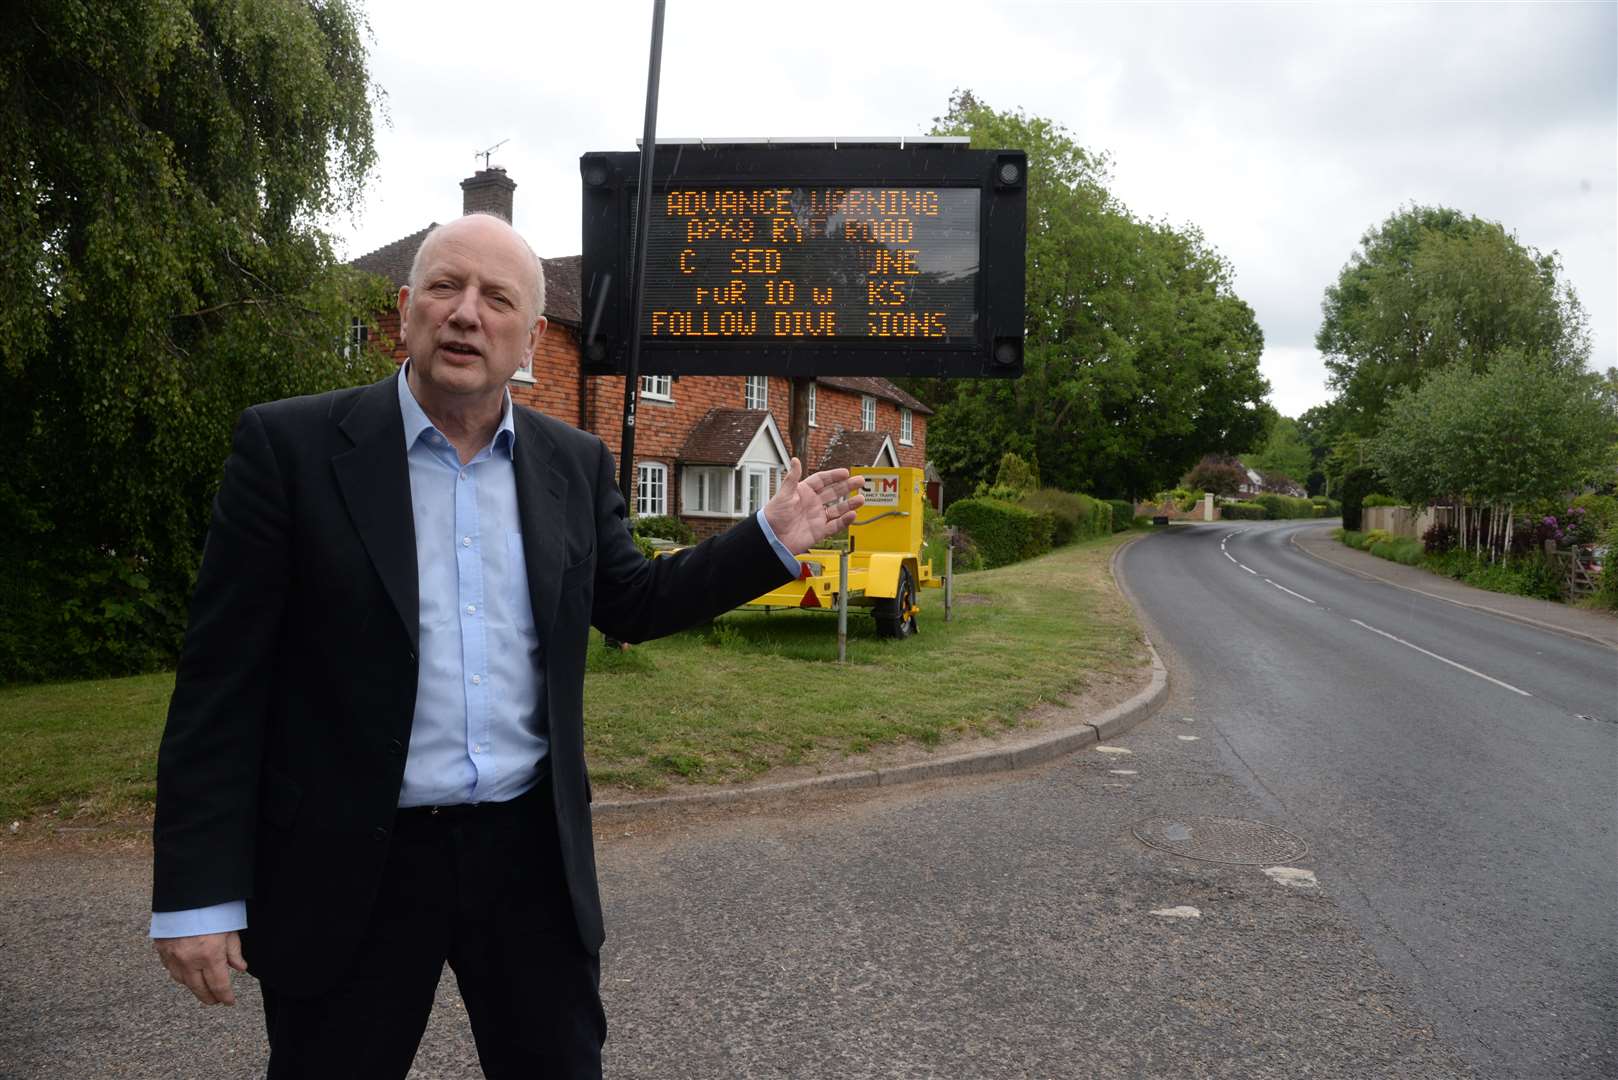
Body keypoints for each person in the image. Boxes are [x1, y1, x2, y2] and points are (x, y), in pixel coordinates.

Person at [150, 211, 863, 1078]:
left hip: (529, 860)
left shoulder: (574, 462)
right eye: (446, 288)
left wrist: (766, 538)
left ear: (528, 337)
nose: (466, 313)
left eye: (496, 299)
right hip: (352, 861)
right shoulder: (289, 448)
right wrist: (195, 894)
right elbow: (222, 682)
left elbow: (631, 602)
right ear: (408, 309)